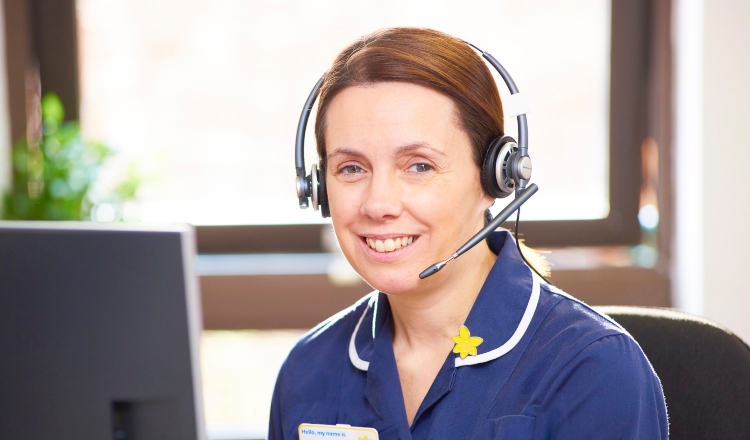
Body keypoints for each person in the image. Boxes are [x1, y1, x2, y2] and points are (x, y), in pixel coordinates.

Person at [270, 27, 668, 439]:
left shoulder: (593, 370)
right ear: (318, 188)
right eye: (351, 168)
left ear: (494, 179)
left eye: (419, 166)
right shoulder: (309, 370)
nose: (378, 204)